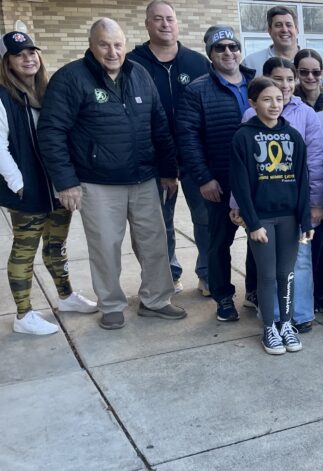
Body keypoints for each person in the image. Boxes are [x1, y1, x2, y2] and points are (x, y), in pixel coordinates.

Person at [38, 18, 185, 330]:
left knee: (154, 243)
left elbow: (159, 126)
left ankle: (156, 300)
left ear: (125, 43)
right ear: (92, 44)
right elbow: (51, 132)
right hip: (96, 182)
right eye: (104, 44)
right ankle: (112, 305)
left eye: (118, 44)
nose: (112, 51)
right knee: (105, 247)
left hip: (144, 178)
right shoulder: (70, 78)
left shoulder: (140, 74)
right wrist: (66, 182)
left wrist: (168, 171)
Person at [0, 31, 97, 335]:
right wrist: (19, 185)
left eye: (32, 52)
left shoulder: (48, 90)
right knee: (24, 250)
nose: (28, 58)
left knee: (56, 245)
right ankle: (23, 314)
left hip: (57, 187)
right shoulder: (3, 96)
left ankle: (66, 296)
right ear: (7, 62)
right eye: (18, 54)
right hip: (27, 190)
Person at [235, 58, 323, 333]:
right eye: (277, 82)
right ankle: (271, 320)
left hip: (292, 209)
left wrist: (314, 205)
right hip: (262, 211)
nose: (283, 88)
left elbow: (314, 164)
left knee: (295, 266)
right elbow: (242, 175)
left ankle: (296, 317)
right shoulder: (247, 127)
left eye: (289, 80)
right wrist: (242, 211)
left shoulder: (303, 118)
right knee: (267, 271)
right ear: (254, 100)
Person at [127, 0, 211, 296]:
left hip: (195, 158)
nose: (165, 24)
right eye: (158, 19)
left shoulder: (197, 63)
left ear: (177, 23)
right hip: (152, 160)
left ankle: (208, 274)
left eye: (170, 19)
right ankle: (168, 275)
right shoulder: (131, 64)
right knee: (160, 225)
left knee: (205, 220)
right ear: (147, 24)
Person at [176, 25, 255, 322]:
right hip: (219, 181)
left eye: (232, 47)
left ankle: (254, 292)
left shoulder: (257, 83)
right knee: (219, 242)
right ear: (210, 53)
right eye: (220, 48)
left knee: (258, 237)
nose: (227, 53)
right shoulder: (197, 89)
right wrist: (204, 178)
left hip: (257, 181)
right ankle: (223, 297)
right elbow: (187, 137)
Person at [230, 77, 312, 354]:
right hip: (261, 220)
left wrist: (305, 220)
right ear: (252, 103)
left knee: (286, 275)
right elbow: (240, 185)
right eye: (266, 99)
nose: (274, 104)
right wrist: (252, 223)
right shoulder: (243, 136)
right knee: (266, 276)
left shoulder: (293, 136)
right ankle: (269, 327)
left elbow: (303, 180)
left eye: (279, 98)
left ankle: (286, 325)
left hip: (289, 218)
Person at [241, 5, 299, 71]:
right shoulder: (250, 63)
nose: (285, 30)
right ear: (269, 30)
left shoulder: (311, 61)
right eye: (278, 25)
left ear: (297, 30)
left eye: (289, 25)